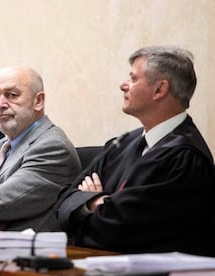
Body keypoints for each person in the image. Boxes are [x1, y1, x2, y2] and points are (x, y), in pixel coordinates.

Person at [56, 46, 215, 256]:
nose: (123, 85)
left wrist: (86, 205)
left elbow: (120, 232)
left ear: (159, 90)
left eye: (133, 79)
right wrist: (97, 203)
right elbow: (62, 202)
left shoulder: (185, 158)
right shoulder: (122, 144)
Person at [0, 66, 81, 232]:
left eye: (12, 95)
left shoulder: (52, 147)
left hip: (30, 254)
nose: (1, 104)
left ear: (38, 101)